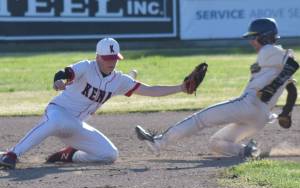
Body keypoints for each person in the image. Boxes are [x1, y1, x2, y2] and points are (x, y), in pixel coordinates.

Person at [0, 37, 191, 169]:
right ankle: (12, 155)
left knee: (110, 155)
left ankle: (70, 155)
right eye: (107, 58)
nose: (112, 62)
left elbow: (151, 90)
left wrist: (180, 88)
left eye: (114, 58)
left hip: (76, 126)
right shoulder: (86, 67)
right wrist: (58, 81)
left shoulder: (119, 80)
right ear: (97, 56)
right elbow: (63, 73)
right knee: (57, 122)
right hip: (58, 112)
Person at [136, 18, 299, 159]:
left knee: (200, 119)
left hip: (248, 105)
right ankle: (248, 152)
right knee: (217, 143)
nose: (251, 41)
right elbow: (292, 90)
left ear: (265, 37)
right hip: (260, 118)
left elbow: (293, 64)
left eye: (254, 37)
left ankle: (158, 142)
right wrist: (286, 112)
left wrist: (272, 88)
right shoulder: (274, 63)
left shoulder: (269, 49)